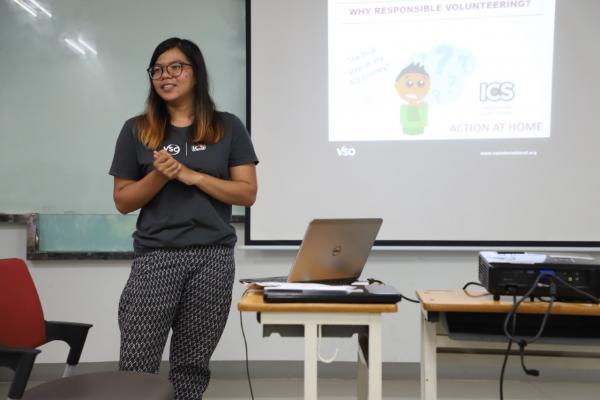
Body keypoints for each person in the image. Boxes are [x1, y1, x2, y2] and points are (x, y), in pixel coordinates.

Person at [109, 37, 258, 400]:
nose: (165, 76)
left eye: (176, 67)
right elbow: (123, 201)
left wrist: (193, 176)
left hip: (213, 258)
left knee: (192, 366)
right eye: (157, 70)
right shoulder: (137, 129)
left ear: (195, 74)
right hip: (157, 256)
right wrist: (161, 175)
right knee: (137, 363)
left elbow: (247, 193)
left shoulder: (228, 126)